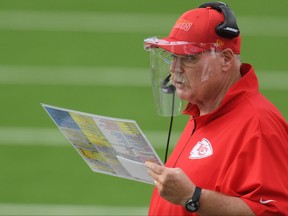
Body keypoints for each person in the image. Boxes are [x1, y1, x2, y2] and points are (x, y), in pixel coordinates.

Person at [143, 2, 288, 215]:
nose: (174, 69)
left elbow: (275, 212)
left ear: (226, 59)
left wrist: (193, 197)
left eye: (189, 58)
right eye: (174, 57)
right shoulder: (204, 111)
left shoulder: (260, 125)